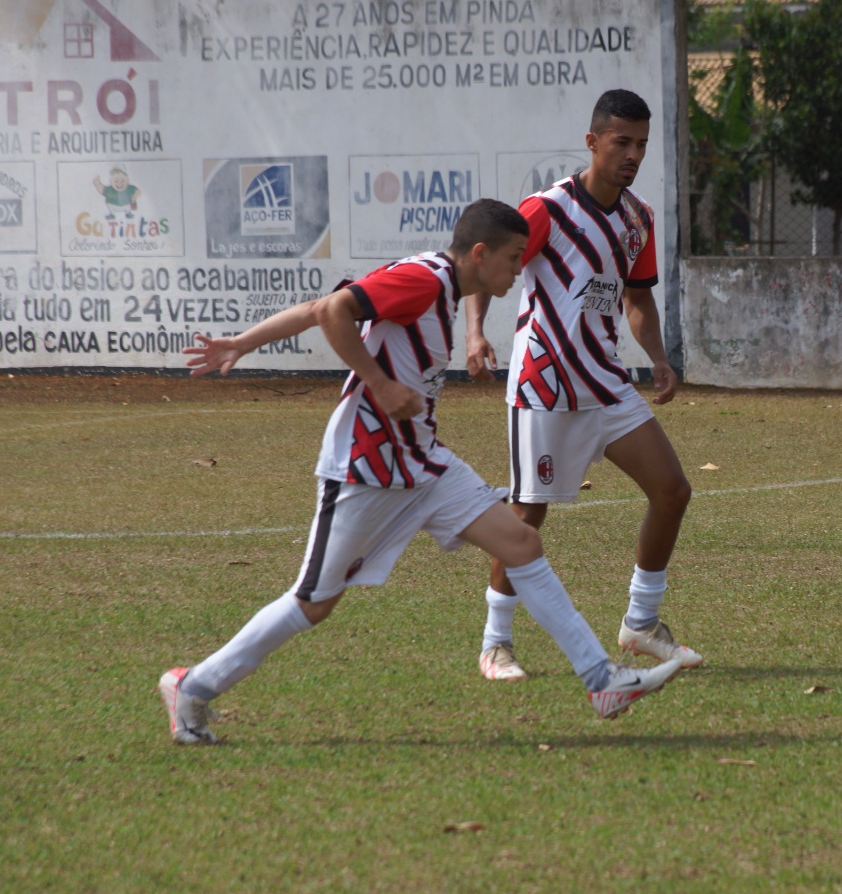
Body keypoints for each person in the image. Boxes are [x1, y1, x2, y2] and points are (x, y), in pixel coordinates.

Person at [159, 199, 682, 744]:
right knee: (313, 603)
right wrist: (381, 385)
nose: (517, 269)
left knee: (521, 542)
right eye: (512, 258)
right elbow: (331, 313)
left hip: (424, 463)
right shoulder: (422, 281)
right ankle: (193, 686)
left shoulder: (440, 286)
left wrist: (243, 342)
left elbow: (322, 304)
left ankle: (603, 682)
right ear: (479, 255)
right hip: (366, 468)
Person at [463, 89, 698, 683]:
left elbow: (637, 297)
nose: (632, 154)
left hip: (607, 384)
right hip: (544, 385)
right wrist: (475, 334)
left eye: (641, 144)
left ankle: (640, 625)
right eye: (621, 142)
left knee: (672, 490)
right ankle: (496, 644)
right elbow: (481, 269)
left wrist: (658, 359)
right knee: (525, 516)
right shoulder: (546, 211)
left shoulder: (636, 218)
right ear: (592, 141)